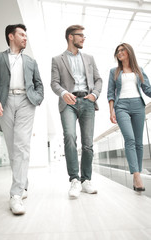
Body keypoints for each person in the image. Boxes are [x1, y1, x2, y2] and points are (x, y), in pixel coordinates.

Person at [0, 24, 44, 214]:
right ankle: (23, 182)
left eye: (26, 35)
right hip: (5, 101)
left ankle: (16, 194)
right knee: (12, 148)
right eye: (22, 34)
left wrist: (37, 98)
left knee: (21, 145)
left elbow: (38, 84)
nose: (25, 38)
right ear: (11, 36)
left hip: (27, 102)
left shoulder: (30, 61)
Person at [51, 25, 102, 198]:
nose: (83, 38)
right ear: (70, 37)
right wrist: (64, 93)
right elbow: (54, 83)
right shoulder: (57, 59)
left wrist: (94, 95)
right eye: (80, 36)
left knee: (88, 143)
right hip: (69, 102)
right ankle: (74, 179)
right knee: (70, 137)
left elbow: (98, 79)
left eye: (83, 36)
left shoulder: (89, 58)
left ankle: (86, 180)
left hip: (87, 101)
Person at [107, 43, 151, 192]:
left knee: (139, 142)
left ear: (129, 52)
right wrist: (111, 111)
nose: (119, 53)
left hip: (138, 105)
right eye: (117, 51)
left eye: (122, 50)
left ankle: (135, 175)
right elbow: (110, 93)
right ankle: (137, 175)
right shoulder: (114, 72)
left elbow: (147, 89)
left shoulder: (139, 71)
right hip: (121, 107)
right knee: (130, 139)